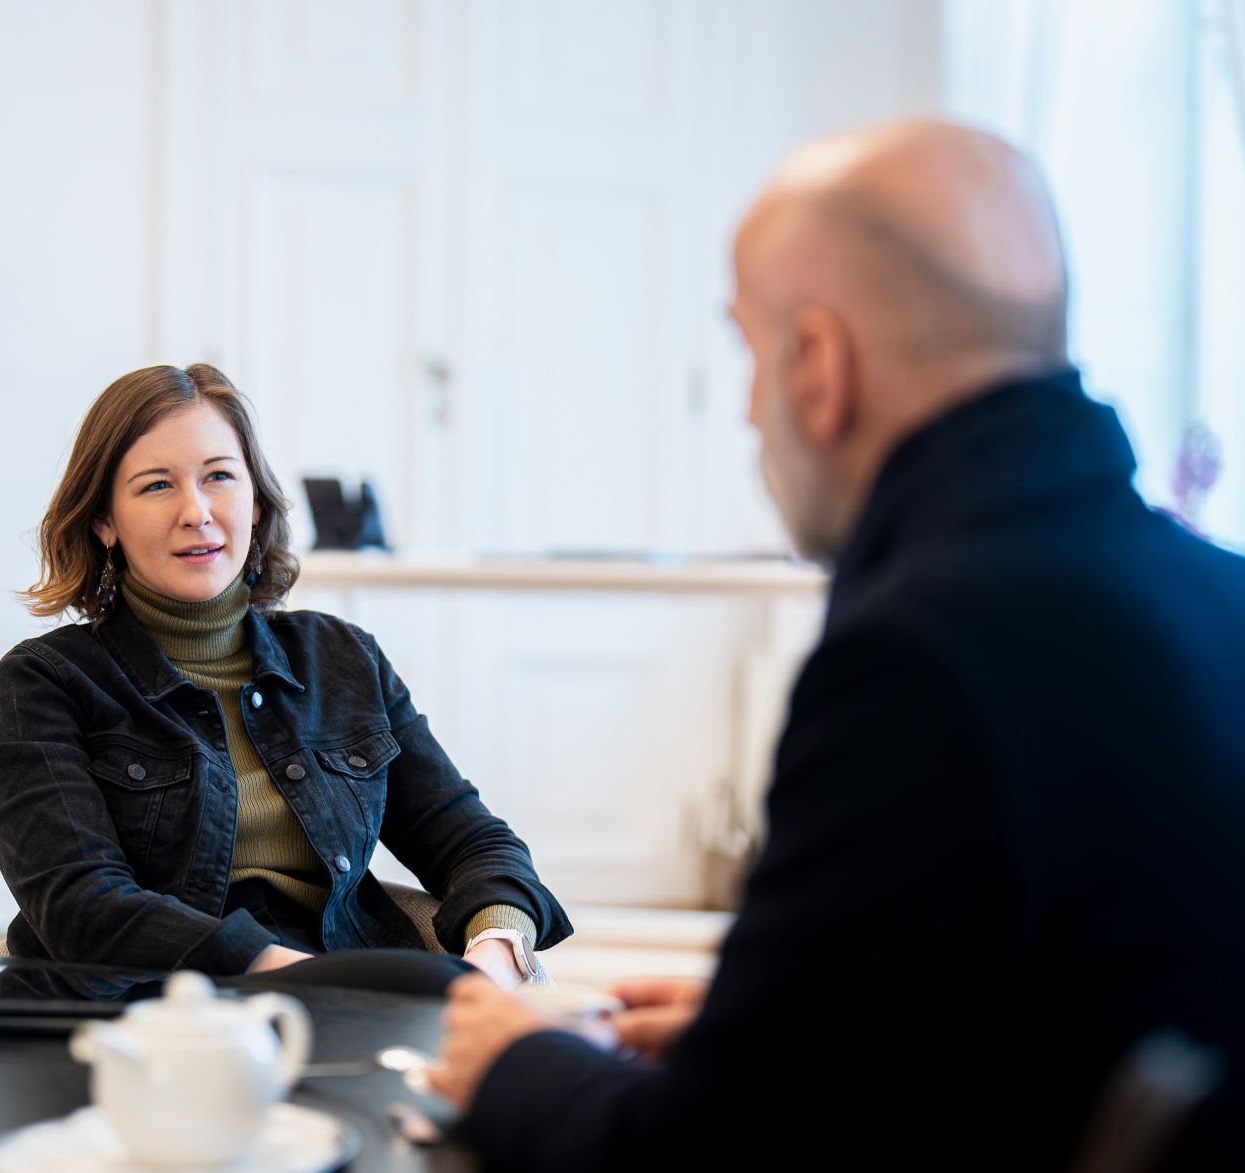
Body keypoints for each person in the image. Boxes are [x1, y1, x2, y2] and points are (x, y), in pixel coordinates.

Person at [431, 118, 1245, 1170]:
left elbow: (694, 1159)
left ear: (816, 365)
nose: (746, 410)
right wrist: (785, 1028)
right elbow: (1097, 1005)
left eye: (750, 354)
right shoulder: (1213, 590)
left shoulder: (921, 660)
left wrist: (514, 1057)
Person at [0, 363, 570, 988]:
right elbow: (81, 906)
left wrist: (498, 952)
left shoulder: (343, 658)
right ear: (104, 521)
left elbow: (470, 841)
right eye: (156, 486)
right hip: (148, 1009)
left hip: (342, 990)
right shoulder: (43, 682)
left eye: (219, 477)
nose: (197, 512)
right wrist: (295, 977)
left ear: (255, 503)